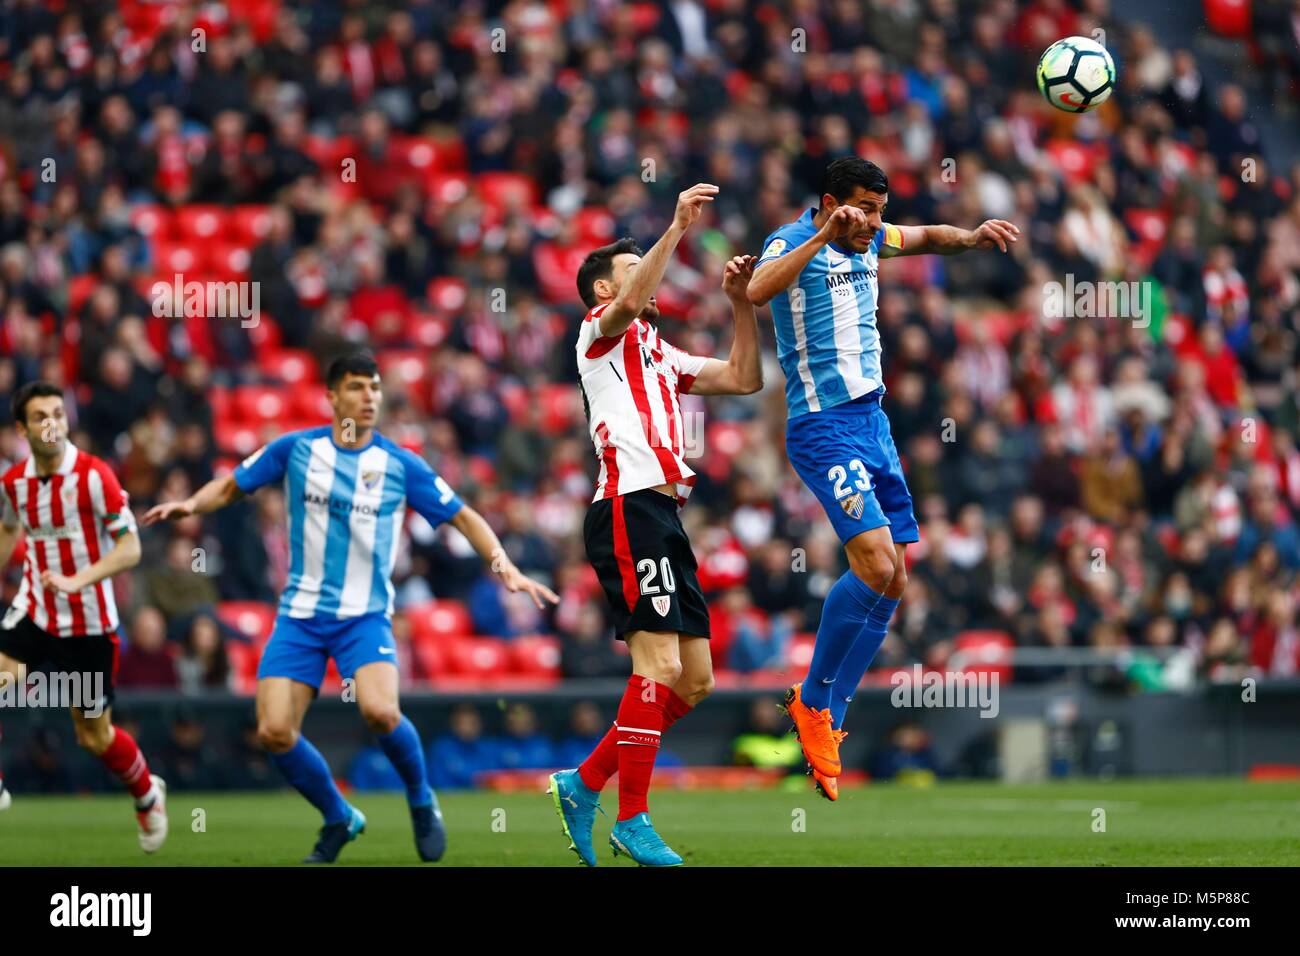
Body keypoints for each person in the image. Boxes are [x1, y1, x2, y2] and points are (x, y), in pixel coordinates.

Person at [144, 352, 558, 863]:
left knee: (381, 711)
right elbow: (232, 485)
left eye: (376, 388)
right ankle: (340, 816)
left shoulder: (399, 464)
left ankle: (421, 799)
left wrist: (505, 566)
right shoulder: (296, 450)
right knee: (274, 732)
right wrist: (191, 505)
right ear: (332, 396)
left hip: (365, 616)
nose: (370, 398)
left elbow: (465, 517)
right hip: (300, 615)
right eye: (358, 388)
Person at [747, 156, 1019, 800]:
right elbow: (758, 292)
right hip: (821, 423)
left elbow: (925, 236)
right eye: (863, 209)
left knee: (895, 577)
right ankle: (812, 702)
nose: (875, 222)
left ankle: (829, 717)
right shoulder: (793, 242)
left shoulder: (872, 236)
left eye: (879, 209)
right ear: (830, 202)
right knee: (871, 565)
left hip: (873, 423)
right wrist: (820, 233)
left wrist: (974, 234)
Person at [548, 183, 763, 867]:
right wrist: (675, 228)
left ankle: (583, 783)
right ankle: (632, 818)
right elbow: (633, 299)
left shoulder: (659, 353)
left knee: (694, 679)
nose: (645, 270)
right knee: (659, 664)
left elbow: (743, 378)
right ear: (601, 291)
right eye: (630, 264)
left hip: (664, 512)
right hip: (626, 506)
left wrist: (739, 305)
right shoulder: (598, 335)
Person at [0, 381, 168, 850]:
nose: (52, 423)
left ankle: (146, 793)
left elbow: (131, 547)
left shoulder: (96, 477)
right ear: (21, 428)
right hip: (34, 611)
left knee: (94, 737)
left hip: (89, 626)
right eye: (40, 416)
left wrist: (80, 579)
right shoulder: (13, 483)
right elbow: (8, 530)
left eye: (58, 412)